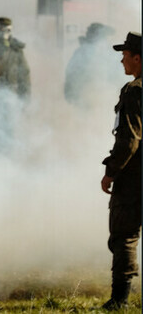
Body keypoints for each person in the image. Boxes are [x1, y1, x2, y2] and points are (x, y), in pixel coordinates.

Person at [100, 31, 141, 310]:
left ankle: (119, 301)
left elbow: (129, 139)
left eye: (125, 55)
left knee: (124, 236)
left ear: (138, 58)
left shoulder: (135, 90)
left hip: (135, 177)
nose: (122, 61)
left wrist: (111, 171)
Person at [65, 22, 122, 109]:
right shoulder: (82, 53)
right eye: (103, 38)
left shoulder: (109, 54)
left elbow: (117, 77)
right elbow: (71, 77)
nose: (105, 41)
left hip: (102, 99)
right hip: (85, 99)